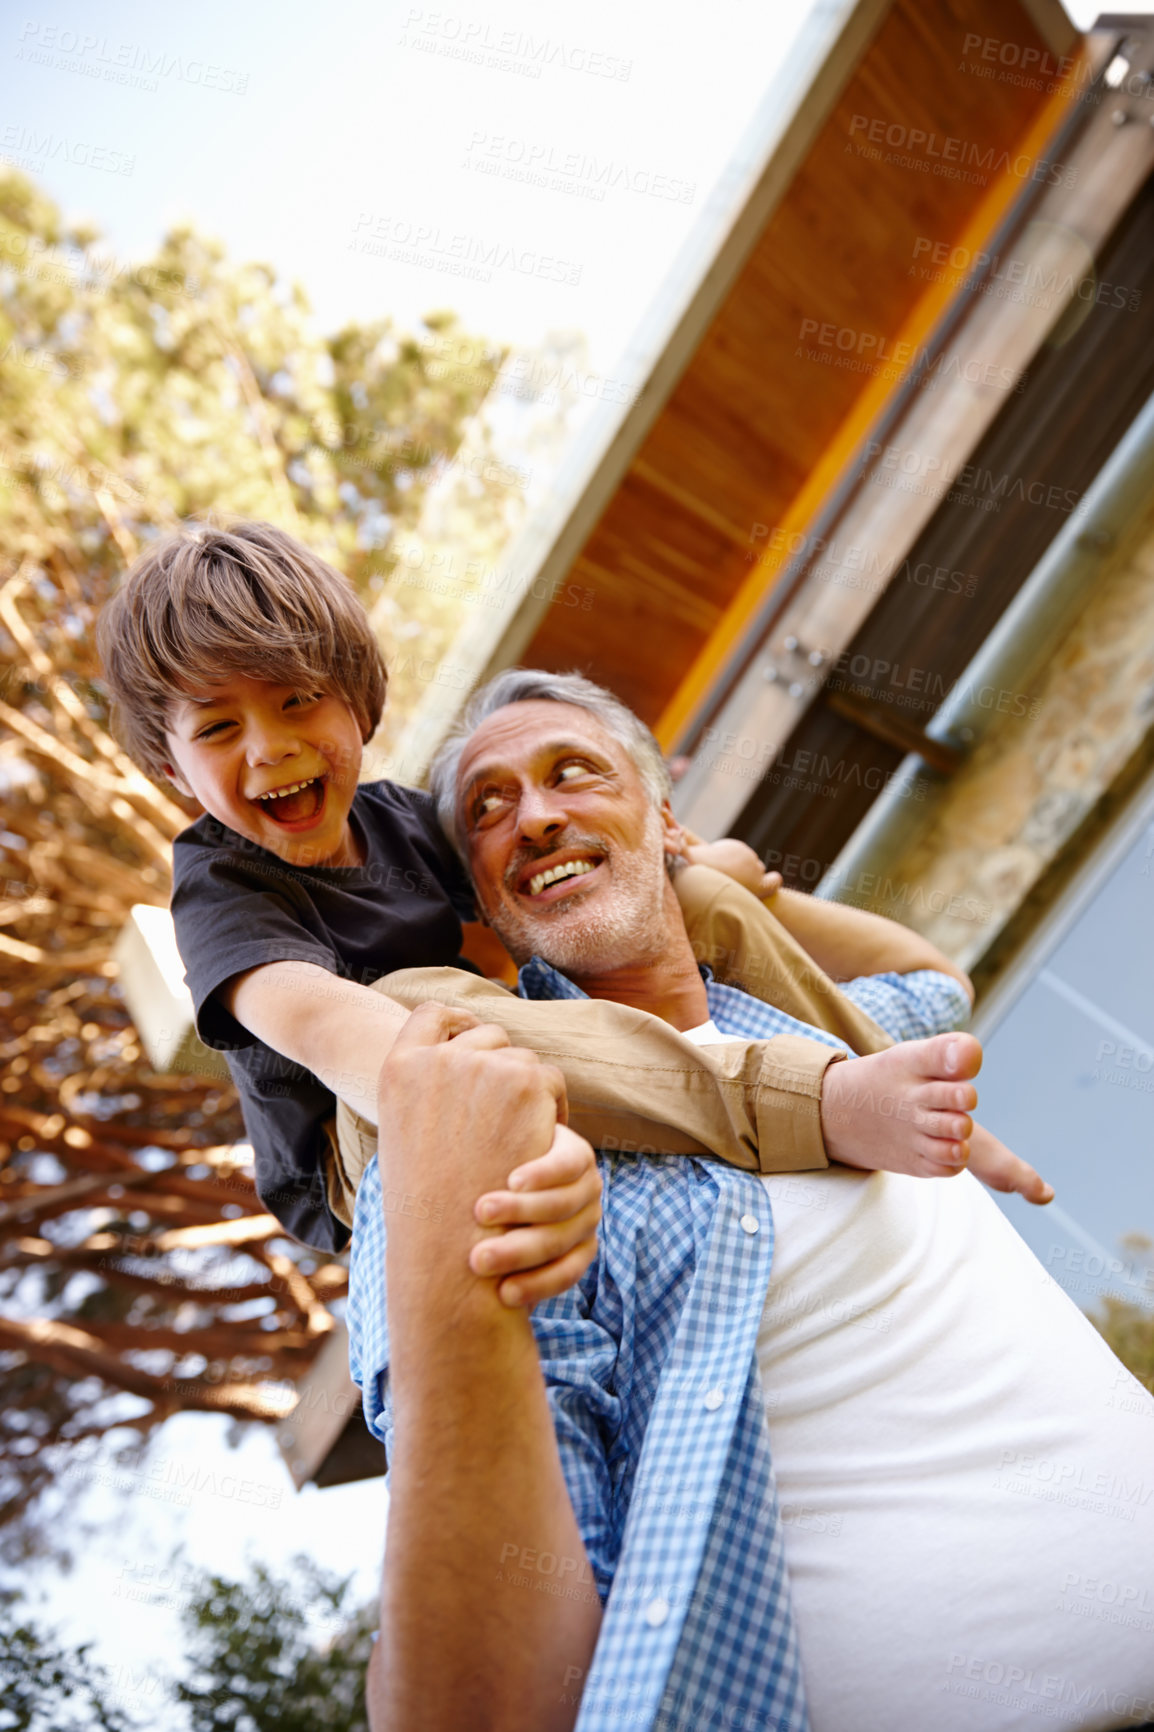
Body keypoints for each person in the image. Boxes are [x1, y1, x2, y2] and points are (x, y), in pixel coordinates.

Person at [347, 670, 1154, 1732]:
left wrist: (728, 889)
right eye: (486, 810)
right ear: (486, 900)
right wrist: (432, 1221)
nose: (533, 817)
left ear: (662, 814)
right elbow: (483, 1709)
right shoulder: (508, 1145)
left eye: (571, 773)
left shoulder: (824, 1034)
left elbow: (931, 978)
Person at [96, 519, 1035, 1288]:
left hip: (497, 1041)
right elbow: (321, 1025)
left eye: (298, 700)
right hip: (365, 1130)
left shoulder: (405, 821)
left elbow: (569, 875)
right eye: (218, 727)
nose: (268, 747)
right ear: (171, 767)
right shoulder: (222, 885)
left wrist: (713, 871)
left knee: (693, 892)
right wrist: (510, 1119)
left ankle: (891, 1082)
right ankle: (808, 1104)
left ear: (358, 705)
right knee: (427, 997)